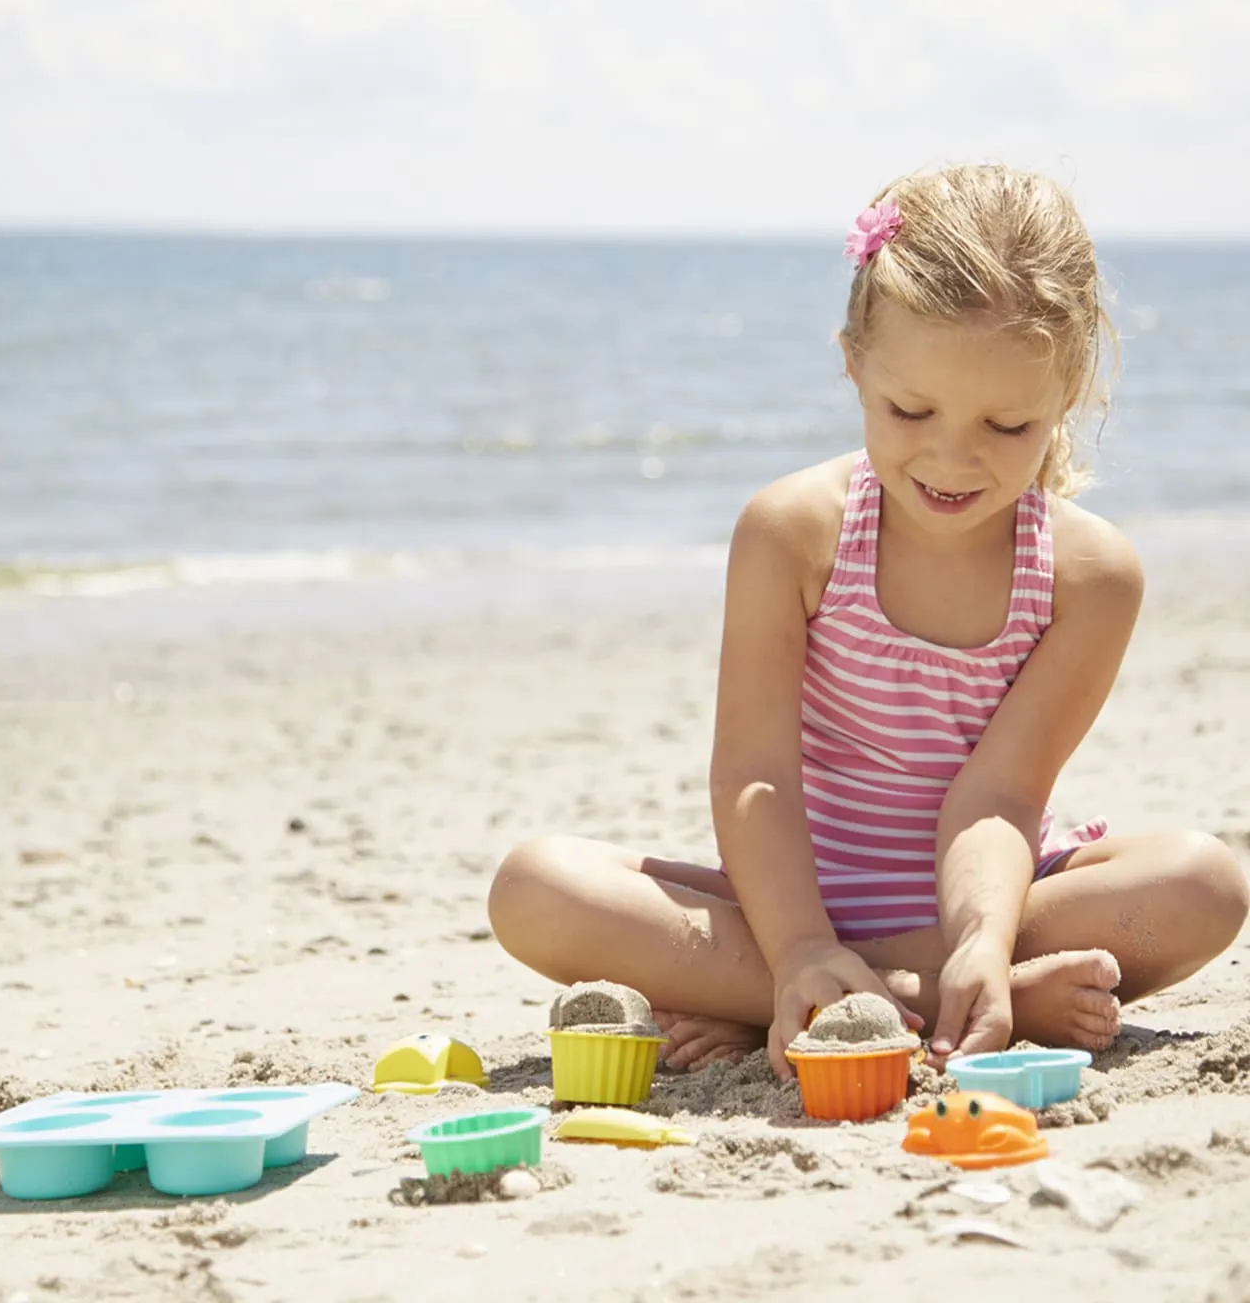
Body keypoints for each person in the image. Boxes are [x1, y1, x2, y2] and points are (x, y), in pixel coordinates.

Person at [486, 164, 1249, 1081]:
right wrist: (804, 942)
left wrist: (978, 937)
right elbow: (756, 777)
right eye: (910, 409)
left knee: (1205, 884)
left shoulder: (1090, 575)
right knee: (535, 889)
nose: (952, 457)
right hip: (788, 906)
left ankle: (865, 993)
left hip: (998, 898)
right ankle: (918, 992)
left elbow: (998, 798)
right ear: (853, 362)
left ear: (1067, 397)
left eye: (1008, 426)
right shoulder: (794, 532)